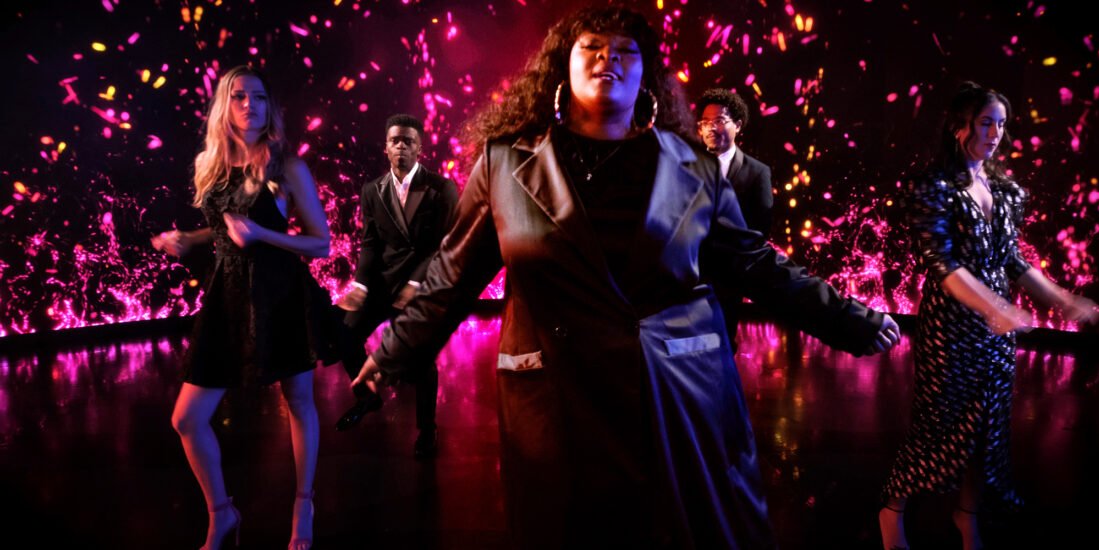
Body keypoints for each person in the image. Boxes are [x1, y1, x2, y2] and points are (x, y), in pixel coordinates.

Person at [354, 7, 900, 549]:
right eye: (591, 47)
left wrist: (850, 319)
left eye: (624, 51)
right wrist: (392, 353)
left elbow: (756, 264)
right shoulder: (504, 164)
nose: (606, 59)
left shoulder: (694, 167)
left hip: (670, 394)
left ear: (647, 74)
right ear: (562, 66)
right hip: (557, 396)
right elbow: (452, 276)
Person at [878, 81, 1099, 550]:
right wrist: (995, 308)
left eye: (1001, 124)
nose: (995, 133)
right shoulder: (933, 187)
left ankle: (967, 515)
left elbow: (1013, 261)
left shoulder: (1004, 190)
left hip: (997, 330)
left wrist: (1064, 300)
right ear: (959, 127)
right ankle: (892, 512)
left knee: (986, 430)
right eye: (985, 123)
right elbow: (943, 266)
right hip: (951, 326)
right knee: (938, 425)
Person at [153, 65, 335, 550]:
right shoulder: (209, 164)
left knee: (298, 402)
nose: (249, 105)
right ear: (224, 105)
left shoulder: (287, 167)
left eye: (258, 96)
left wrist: (262, 234)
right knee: (186, 419)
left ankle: (304, 503)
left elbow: (321, 244)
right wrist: (189, 238)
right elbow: (225, 229)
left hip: (281, 295)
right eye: (239, 96)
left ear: (270, 106)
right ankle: (222, 513)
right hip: (228, 296)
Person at [333, 114, 459, 459]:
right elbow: (370, 244)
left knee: (422, 358)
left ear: (420, 148)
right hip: (383, 284)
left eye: (408, 141)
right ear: (386, 147)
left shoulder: (441, 188)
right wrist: (360, 284)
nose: (401, 146)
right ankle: (368, 397)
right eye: (395, 141)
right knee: (345, 333)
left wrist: (417, 282)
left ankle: (427, 428)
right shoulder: (371, 190)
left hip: (424, 284)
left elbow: (444, 245)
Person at [696, 87, 774, 349]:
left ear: (738, 125)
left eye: (719, 121)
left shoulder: (757, 172)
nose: (711, 128)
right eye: (705, 122)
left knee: (723, 344)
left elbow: (760, 228)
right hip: (689, 275)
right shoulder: (686, 166)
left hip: (728, 277)